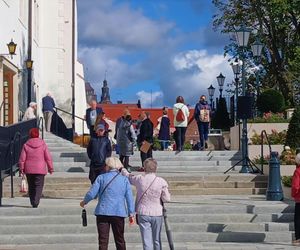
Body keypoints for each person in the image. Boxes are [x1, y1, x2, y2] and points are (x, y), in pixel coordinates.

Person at [80, 157, 135, 250]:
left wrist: (84, 202)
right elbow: (129, 198)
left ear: (108, 166)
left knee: (103, 240)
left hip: (103, 212)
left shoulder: (101, 178)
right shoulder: (124, 180)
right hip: (119, 212)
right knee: (120, 239)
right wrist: (131, 213)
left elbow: (92, 193)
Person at [121, 158, 171, 250]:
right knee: (157, 239)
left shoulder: (140, 178)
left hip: (143, 212)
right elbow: (167, 199)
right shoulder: (161, 181)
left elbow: (129, 177)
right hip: (157, 213)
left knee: (146, 240)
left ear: (144, 168)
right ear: (156, 168)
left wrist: (122, 169)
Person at [18, 128, 53, 208]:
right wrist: (50, 168)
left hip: (29, 169)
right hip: (40, 169)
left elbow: (22, 159)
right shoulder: (43, 144)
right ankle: (36, 201)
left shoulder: (26, 145)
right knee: (39, 186)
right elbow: (48, 157)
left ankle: (32, 201)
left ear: (30, 135)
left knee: (31, 186)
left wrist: (21, 169)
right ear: (38, 134)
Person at [292, 153, 300, 245]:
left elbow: (295, 186)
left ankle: (298, 238)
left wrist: (294, 195)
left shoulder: (298, 171)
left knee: (298, 218)